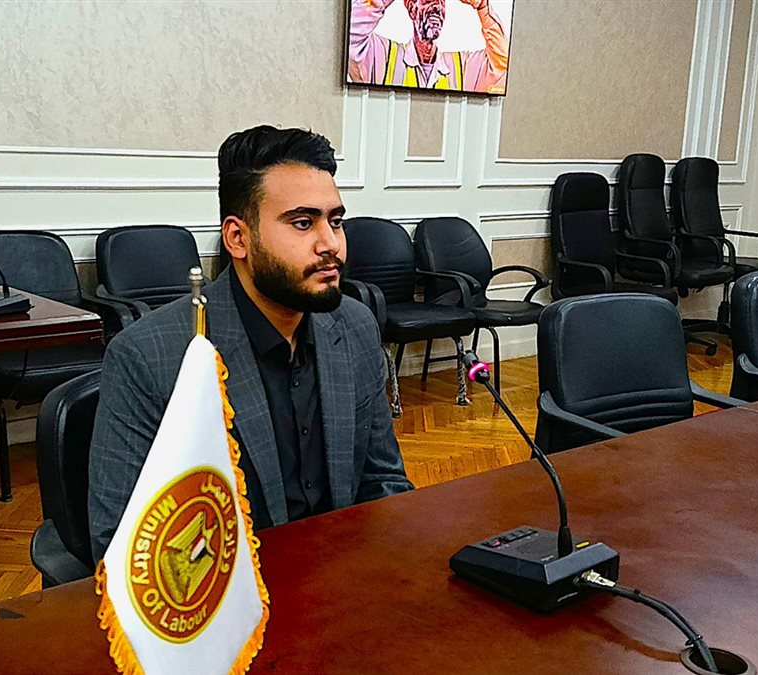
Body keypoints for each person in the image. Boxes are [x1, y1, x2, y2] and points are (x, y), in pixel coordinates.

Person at [88, 126, 414, 561]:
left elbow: (383, 481)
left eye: (335, 221)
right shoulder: (150, 356)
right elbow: (121, 544)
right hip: (227, 592)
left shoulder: (354, 327)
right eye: (303, 223)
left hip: (344, 574)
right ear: (238, 239)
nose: (331, 244)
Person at [347, 0, 509, 94]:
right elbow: (349, 36)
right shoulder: (383, 57)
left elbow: (502, 63)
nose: (437, 7)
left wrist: (483, 7)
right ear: (411, 8)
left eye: (441, 2)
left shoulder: (462, 67)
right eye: (428, 0)